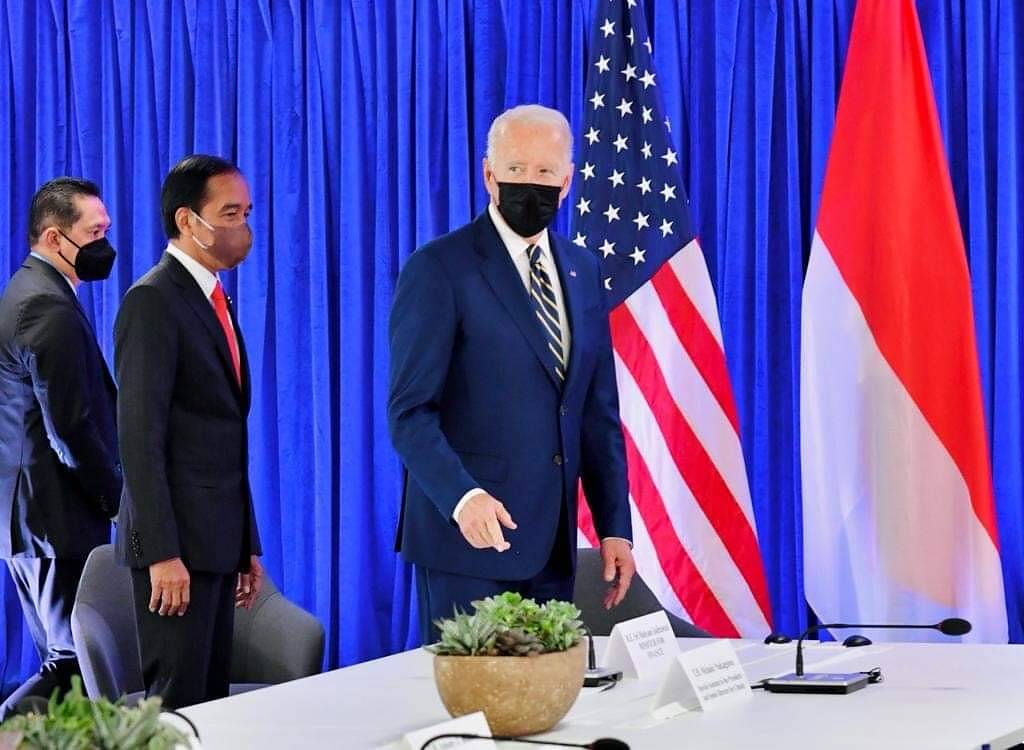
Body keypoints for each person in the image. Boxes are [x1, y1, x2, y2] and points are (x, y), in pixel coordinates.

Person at [388, 104, 636, 638]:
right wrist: (463, 497)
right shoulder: (439, 268)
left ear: (566, 182)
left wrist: (615, 526)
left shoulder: (583, 269)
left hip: (551, 548)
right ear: (489, 174)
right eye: (516, 169)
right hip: (468, 542)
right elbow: (410, 412)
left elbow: (596, 414)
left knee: (547, 690)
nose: (530, 184)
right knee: (475, 691)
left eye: (544, 172)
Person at [114, 155, 263, 708]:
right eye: (230, 213)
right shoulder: (153, 300)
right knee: (177, 710)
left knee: (213, 707)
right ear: (187, 220)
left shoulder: (214, 298)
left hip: (218, 543)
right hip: (176, 550)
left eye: (246, 213)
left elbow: (225, 437)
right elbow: (139, 439)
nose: (243, 226)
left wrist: (245, 544)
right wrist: (161, 554)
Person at [0, 178, 121, 716]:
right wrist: (116, 501)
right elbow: (69, 430)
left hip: (33, 516)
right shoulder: (44, 306)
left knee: (66, 661)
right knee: (71, 666)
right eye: (94, 233)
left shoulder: (29, 291)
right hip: (52, 516)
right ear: (54, 237)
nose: (104, 245)